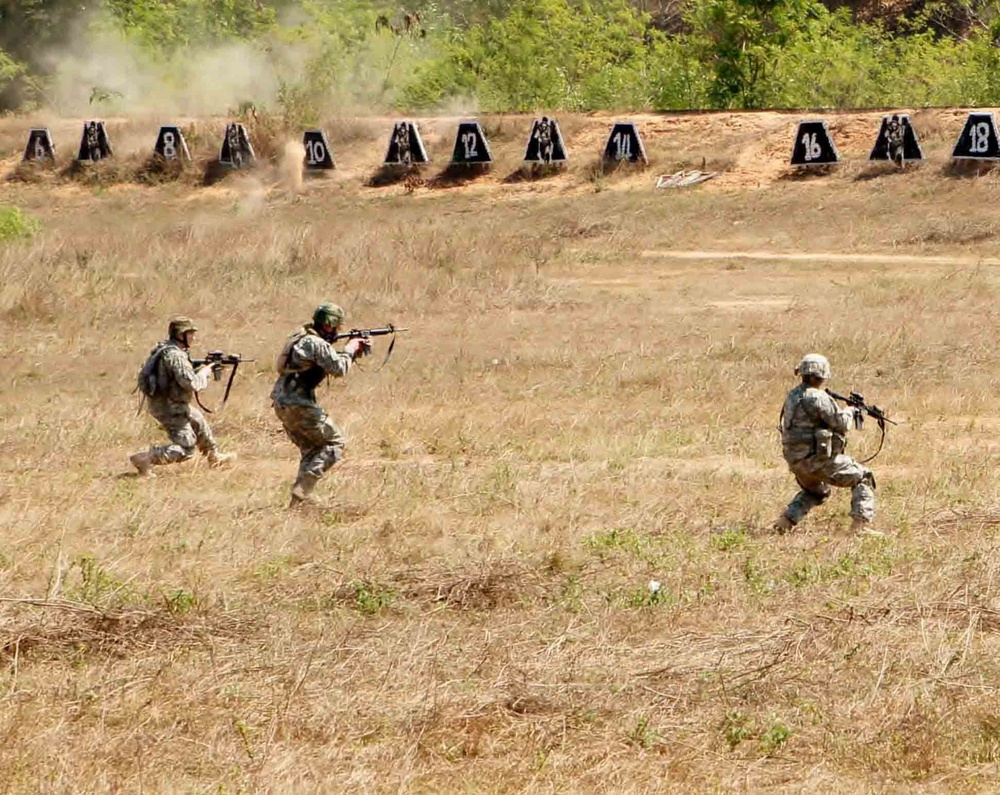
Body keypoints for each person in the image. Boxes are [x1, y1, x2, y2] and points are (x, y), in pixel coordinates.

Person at [271, 302, 371, 506]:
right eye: (336, 327)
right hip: (299, 403)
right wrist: (350, 349)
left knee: (312, 449)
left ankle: (300, 500)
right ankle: (302, 490)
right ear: (328, 325)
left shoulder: (301, 338)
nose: (338, 331)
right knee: (334, 443)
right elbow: (339, 368)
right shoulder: (316, 343)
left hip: (282, 402)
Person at [774, 354, 876, 533]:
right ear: (821, 375)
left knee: (817, 491)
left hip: (796, 462)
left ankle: (785, 522)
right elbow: (841, 424)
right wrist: (851, 411)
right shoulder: (818, 398)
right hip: (817, 461)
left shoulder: (792, 396)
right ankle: (859, 527)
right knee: (863, 476)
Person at [129, 317, 236, 476]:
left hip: (170, 402)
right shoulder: (175, 356)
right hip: (169, 407)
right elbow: (191, 383)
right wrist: (205, 373)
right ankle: (145, 458)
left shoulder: (167, 349)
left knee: (198, 420)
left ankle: (214, 457)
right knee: (186, 449)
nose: (194, 337)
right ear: (181, 335)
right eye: (190, 333)